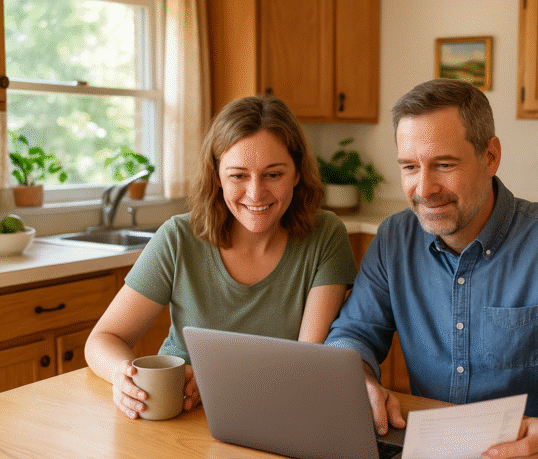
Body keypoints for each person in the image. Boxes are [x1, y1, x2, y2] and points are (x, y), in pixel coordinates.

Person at [324, 79, 538, 459]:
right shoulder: (393, 239)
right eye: (409, 167)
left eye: (444, 164)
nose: (424, 189)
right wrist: (359, 380)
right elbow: (353, 333)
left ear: (490, 157)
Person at [85, 94, 358, 420]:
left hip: (275, 416)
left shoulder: (325, 235)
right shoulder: (177, 238)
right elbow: (103, 339)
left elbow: (307, 362)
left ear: (297, 173)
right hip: (179, 417)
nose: (256, 193)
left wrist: (219, 382)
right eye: (238, 175)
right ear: (216, 177)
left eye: (273, 174)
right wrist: (124, 376)